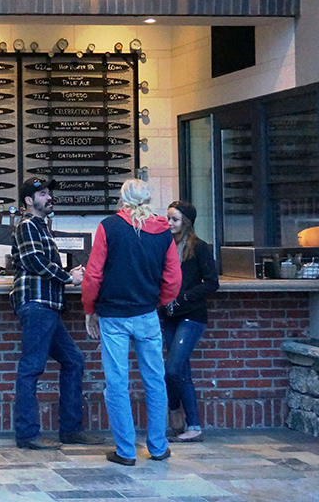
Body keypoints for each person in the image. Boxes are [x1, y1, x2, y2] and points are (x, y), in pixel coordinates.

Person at [82, 179, 181, 466]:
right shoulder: (163, 230)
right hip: (147, 314)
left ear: (121, 198)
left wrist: (90, 308)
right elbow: (173, 279)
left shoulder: (108, 227)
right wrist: (155, 301)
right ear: (148, 199)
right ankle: (158, 447)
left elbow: (93, 274)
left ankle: (125, 451)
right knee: (154, 381)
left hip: (113, 316)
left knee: (116, 383)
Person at [11, 176, 105, 450]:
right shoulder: (27, 224)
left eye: (49, 193)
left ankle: (71, 430)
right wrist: (67, 277)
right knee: (31, 368)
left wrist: (69, 275)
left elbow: (40, 261)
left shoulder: (41, 226)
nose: (49, 197)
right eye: (42, 194)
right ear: (29, 201)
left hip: (48, 305)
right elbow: (33, 260)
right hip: (38, 303)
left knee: (74, 360)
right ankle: (28, 434)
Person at [163, 200, 219, 443]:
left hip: (191, 316)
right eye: (168, 218)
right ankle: (193, 425)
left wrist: (184, 297)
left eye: (174, 219)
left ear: (186, 222)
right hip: (167, 315)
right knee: (181, 370)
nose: (170, 223)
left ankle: (175, 411)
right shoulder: (164, 245)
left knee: (173, 369)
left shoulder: (199, 248)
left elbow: (212, 283)